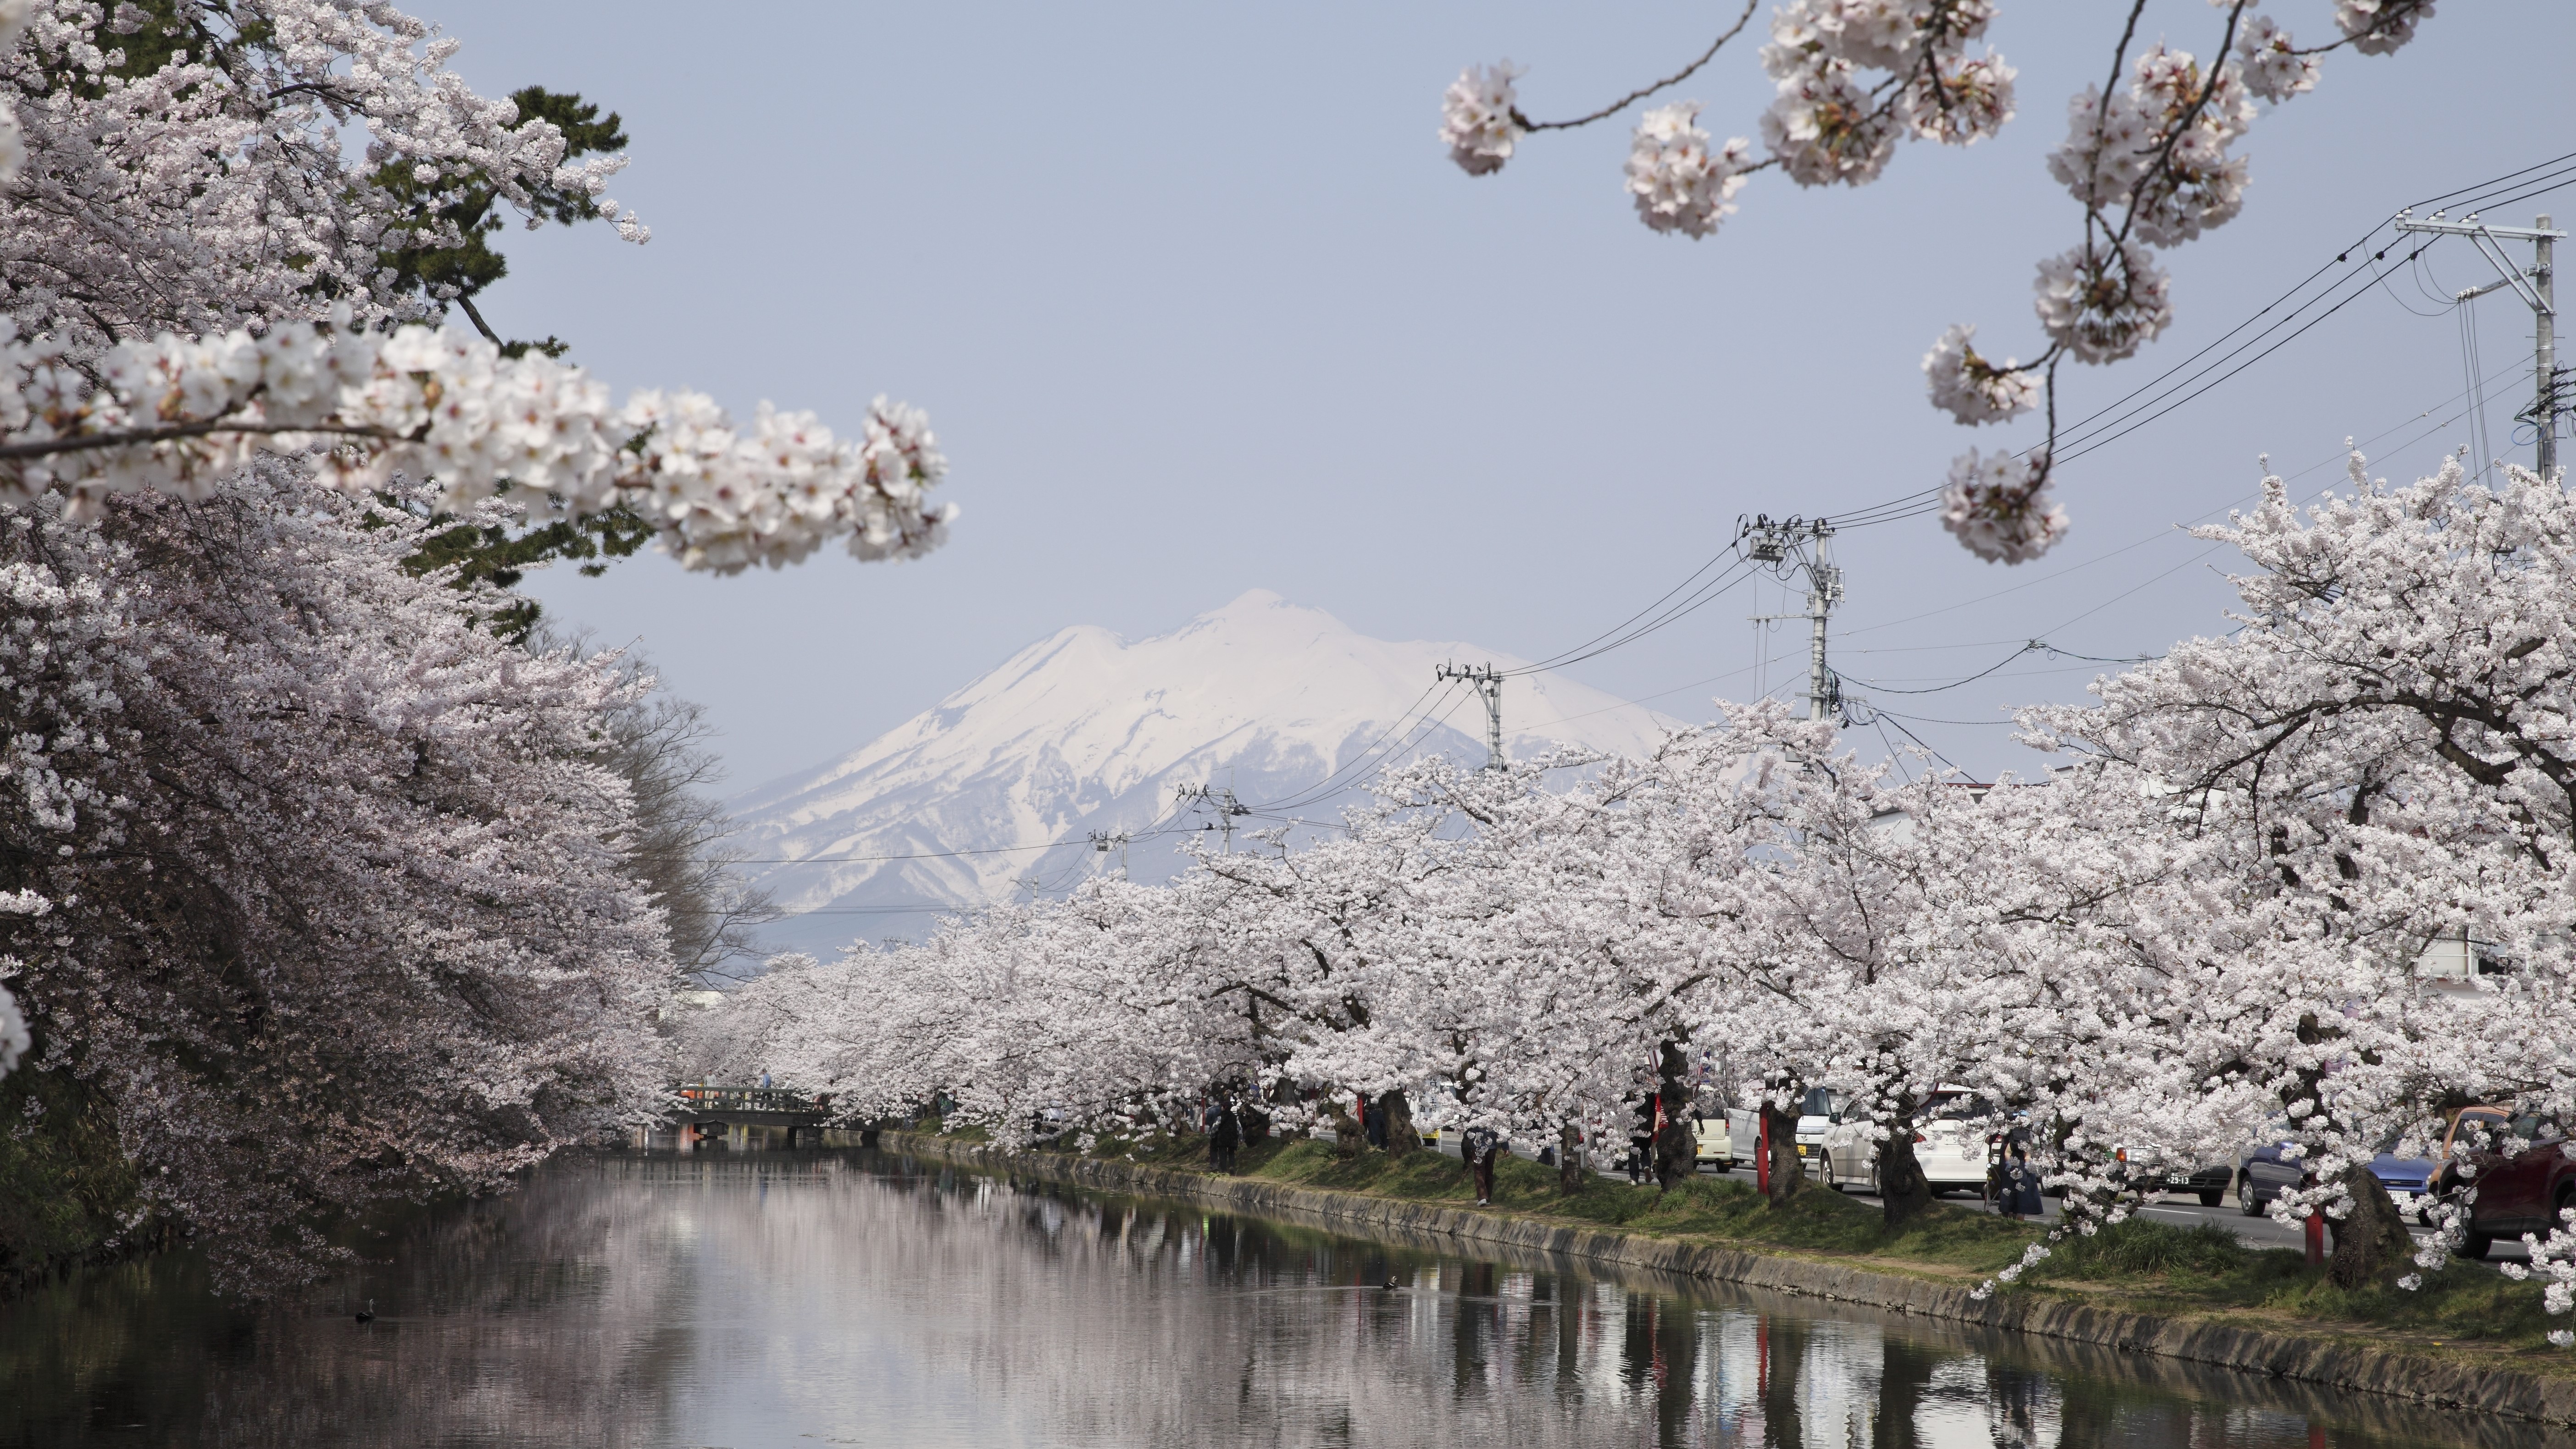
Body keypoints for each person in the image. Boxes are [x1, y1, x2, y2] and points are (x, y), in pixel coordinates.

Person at [1465, 1126, 1501, 1206]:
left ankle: (1483, 1197)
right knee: (1489, 1171)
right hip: (1492, 1146)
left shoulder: (1474, 1114)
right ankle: (1487, 1198)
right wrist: (1505, 1146)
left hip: (1478, 1145)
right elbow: (1501, 1128)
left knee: (1479, 1171)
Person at [1212, 1101, 1242, 1174]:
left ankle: (1224, 1170)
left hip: (1222, 1137)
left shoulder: (1220, 1117)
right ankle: (1232, 1166)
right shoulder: (1235, 1117)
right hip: (1233, 1137)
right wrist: (1241, 1138)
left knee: (1223, 1153)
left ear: (1225, 1108)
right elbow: (1239, 1128)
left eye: (1223, 1106)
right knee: (1231, 1153)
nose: (1221, 1108)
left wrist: (1212, 1135)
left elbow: (1215, 1127)